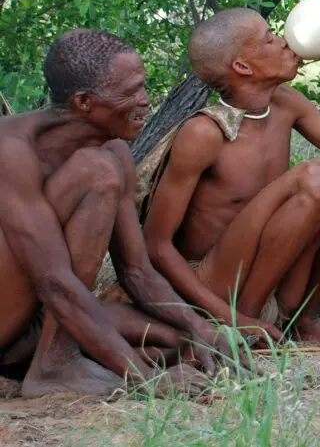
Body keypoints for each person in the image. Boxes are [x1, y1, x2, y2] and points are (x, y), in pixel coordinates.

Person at [0, 29, 233, 398]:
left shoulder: (115, 150)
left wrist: (200, 326)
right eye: (131, 91)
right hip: (14, 314)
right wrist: (145, 378)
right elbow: (54, 281)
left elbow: (136, 269)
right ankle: (54, 366)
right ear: (84, 103)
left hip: (39, 321)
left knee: (181, 343)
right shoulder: (12, 151)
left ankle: (58, 357)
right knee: (97, 170)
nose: (146, 102)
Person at [142, 6, 320, 346]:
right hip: (217, 285)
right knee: (316, 175)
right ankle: (251, 323)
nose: (286, 42)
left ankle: (302, 318)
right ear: (242, 66)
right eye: (270, 39)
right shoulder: (204, 133)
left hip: (274, 271)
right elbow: (156, 247)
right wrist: (232, 318)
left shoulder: (286, 103)